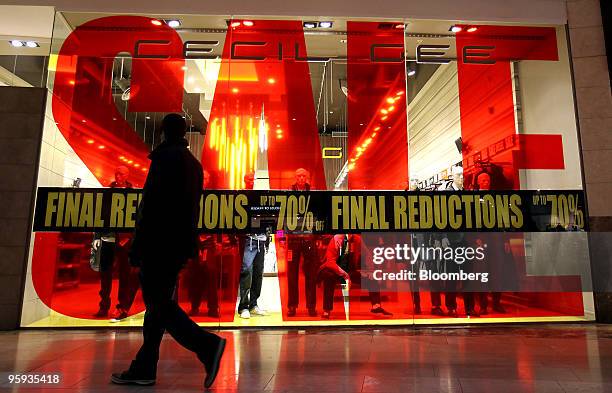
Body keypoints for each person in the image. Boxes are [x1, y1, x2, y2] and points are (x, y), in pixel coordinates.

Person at [111, 114, 225, 389]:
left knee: (159, 304)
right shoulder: (194, 165)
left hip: (157, 244)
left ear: (163, 132)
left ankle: (207, 345)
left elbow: (151, 208)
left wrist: (138, 245)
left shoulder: (165, 160)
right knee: (157, 306)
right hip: (178, 245)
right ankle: (145, 368)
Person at [93, 166, 139, 321]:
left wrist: (130, 236)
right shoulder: (108, 192)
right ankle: (104, 305)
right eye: (117, 173)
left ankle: (121, 306)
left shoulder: (132, 193)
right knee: (105, 273)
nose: (119, 176)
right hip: (109, 237)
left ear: (126, 176)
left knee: (124, 274)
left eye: (122, 174)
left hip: (125, 239)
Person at [318, 234, 393, 319]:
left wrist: (371, 267)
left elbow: (368, 254)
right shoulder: (336, 240)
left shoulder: (357, 239)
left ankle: (376, 306)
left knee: (372, 277)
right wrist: (345, 275)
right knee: (328, 277)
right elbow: (330, 262)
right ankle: (326, 310)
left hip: (350, 271)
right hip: (335, 270)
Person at [185, 170, 220, 318]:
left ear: (208, 180)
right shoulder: (190, 196)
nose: (203, 180)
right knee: (194, 276)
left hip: (209, 242)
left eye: (206, 178)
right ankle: (195, 306)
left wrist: (218, 241)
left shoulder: (213, 198)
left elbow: (219, 220)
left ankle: (212, 308)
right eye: (201, 177)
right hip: (194, 241)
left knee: (211, 275)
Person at [286, 168, 319, 317]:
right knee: (292, 275)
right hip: (293, 240)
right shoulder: (289, 192)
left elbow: (319, 215)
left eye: (303, 176)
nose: (301, 178)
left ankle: (311, 306)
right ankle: (292, 306)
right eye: (298, 175)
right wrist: (281, 237)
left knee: (311, 274)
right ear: (295, 177)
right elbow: (282, 216)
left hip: (309, 239)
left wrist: (317, 238)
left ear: (308, 178)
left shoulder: (313, 193)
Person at [238, 172, 269, 319]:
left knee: (258, 273)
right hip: (249, 240)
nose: (251, 181)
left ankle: (253, 304)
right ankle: (243, 306)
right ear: (245, 181)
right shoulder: (242, 196)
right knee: (247, 272)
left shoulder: (260, 196)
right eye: (249, 179)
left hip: (261, 239)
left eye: (253, 179)